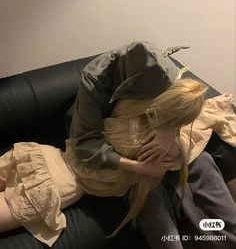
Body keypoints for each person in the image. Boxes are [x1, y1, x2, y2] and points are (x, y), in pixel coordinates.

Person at [0, 42, 236, 248]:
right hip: (100, 147)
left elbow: (179, 105)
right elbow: (85, 144)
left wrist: (169, 131)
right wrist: (140, 168)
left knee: (201, 163)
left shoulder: (156, 67)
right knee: (151, 197)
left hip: (149, 141)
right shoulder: (95, 84)